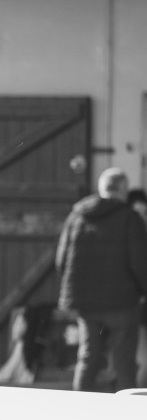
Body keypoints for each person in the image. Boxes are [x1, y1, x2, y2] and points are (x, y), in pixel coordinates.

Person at [56, 167, 147, 392]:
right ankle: (127, 411)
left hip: (86, 304)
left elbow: (61, 261)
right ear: (123, 189)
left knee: (88, 357)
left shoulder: (77, 216)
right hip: (122, 303)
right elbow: (140, 263)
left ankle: (80, 410)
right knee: (124, 363)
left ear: (101, 188)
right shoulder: (129, 218)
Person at [127, 187, 147, 388]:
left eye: (144, 212)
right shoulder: (126, 233)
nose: (141, 216)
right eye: (137, 212)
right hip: (134, 305)